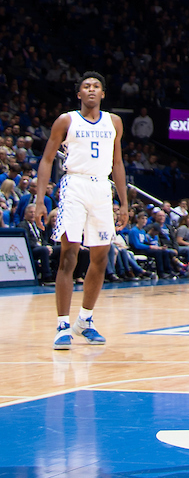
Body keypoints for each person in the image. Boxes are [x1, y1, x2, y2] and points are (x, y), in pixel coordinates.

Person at [34, 72, 128, 348]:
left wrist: (123, 203)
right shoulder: (66, 120)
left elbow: (118, 164)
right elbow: (47, 159)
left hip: (101, 188)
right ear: (79, 94)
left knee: (100, 257)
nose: (90, 90)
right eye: (86, 86)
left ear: (102, 93)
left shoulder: (114, 122)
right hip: (74, 185)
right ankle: (63, 324)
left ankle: (85, 319)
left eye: (96, 86)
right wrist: (40, 199)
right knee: (69, 254)